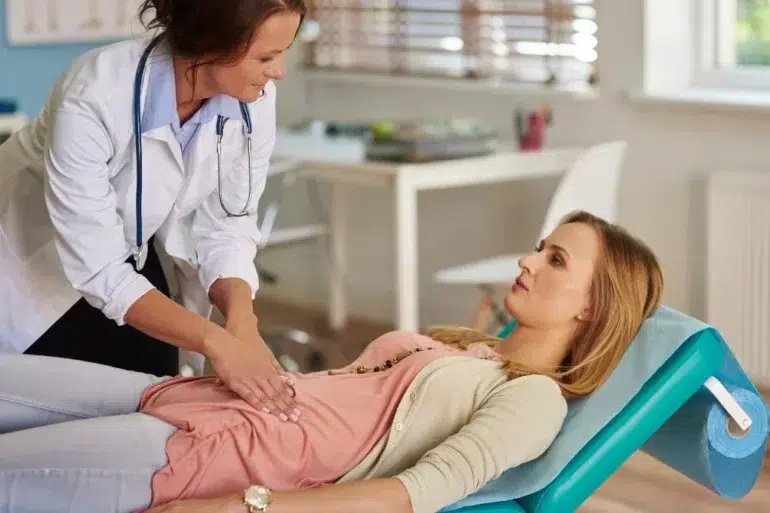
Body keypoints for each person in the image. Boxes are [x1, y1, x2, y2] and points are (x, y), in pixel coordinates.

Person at [0, 211, 664, 513]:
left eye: (555, 260)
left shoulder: (535, 399)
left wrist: (248, 506)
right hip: (199, 398)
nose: (527, 259)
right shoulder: (475, 348)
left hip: (216, 451)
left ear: (592, 310)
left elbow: (413, 494)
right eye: (540, 245)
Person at [0, 0, 304, 419]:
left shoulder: (254, 102)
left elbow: (229, 226)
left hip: (129, 254)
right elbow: (99, 268)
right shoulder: (93, 93)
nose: (278, 73)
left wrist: (242, 323)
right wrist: (217, 342)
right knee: (61, 427)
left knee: (155, 406)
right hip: (30, 272)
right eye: (266, 57)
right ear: (210, 43)